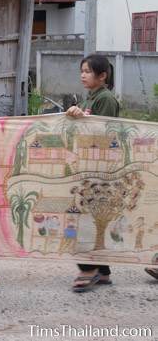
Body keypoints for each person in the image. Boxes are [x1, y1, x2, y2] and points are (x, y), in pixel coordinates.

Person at [66, 55, 119, 293]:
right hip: (90, 164)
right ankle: (102, 272)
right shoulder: (93, 97)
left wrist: (82, 119)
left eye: (87, 71)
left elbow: (103, 132)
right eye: (81, 71)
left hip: (100, 168)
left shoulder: (105, 98)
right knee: (89, 216)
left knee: (84, 216)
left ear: (102, 76)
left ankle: (88, 268)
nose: (82, 75)